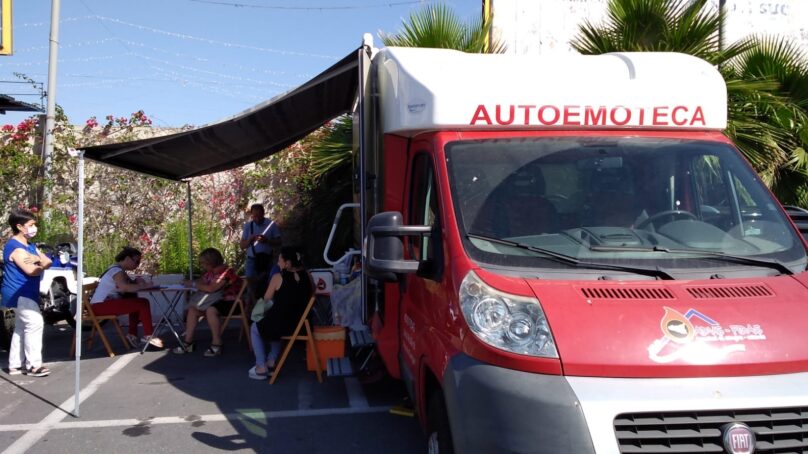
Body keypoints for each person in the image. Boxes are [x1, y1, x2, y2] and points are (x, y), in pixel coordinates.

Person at [1, 209, 53, 377]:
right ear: (19, 226)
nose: (34, 228)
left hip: (27, 292)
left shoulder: (30, 246)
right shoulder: (15, 248)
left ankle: (15, 365)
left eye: (34, 224)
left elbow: (48, 261)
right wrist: (40, 263)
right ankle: (34, 365)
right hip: (18, 293)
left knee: (21, 328)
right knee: (35, 323)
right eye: (31, 225)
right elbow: (31, 270)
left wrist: (39, 260)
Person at [248, 246, 313, 379]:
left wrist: (256, 313)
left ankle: (261, 366)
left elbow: (266, 299)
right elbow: (313, 292)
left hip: (284, 324)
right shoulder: (308, 275)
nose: (278, 264)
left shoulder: (278, 277)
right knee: (272, 322)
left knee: (255, 327)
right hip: (302, 325)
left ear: (288, 263)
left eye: (280, 261)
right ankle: (271, 361)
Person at [91, 246, 164, 349]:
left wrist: (137, 281)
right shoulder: (116, 271)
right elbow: (125, 287)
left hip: (101, 305)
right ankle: (148, 335)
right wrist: (144, 285)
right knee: (143, 303)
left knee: (134, 299)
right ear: (127, 259)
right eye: (136, 261)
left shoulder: (118, 269)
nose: (137, 265)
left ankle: (132, 334)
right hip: (100, 306)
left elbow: (130, 285)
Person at [173, 248, 240, 357]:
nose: (201, 265)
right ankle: (188, 342)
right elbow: (202, 281)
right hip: (217, 301)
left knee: (211, 310)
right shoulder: (211, 272)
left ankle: (217, 343)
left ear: (211, 262)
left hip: (231, 302)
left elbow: (211, 288)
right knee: (193, 310)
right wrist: (192, 283)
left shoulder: (226, 272)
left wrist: (194, 285)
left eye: (203, 263)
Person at [239, 203, 281, 301]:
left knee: (268, 284)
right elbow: (242, 246)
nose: (257, 219)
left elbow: (279, 242)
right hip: (252, 260)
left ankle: (267, 307)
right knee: (250, 285)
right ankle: (250, 309)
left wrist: (267, 240)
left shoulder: (271, 225)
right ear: (251, 215)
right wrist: (249, 240)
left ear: (263, 213)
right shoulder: (248, 226)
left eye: (259, 216)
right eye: (255, 216)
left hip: (266, 260)